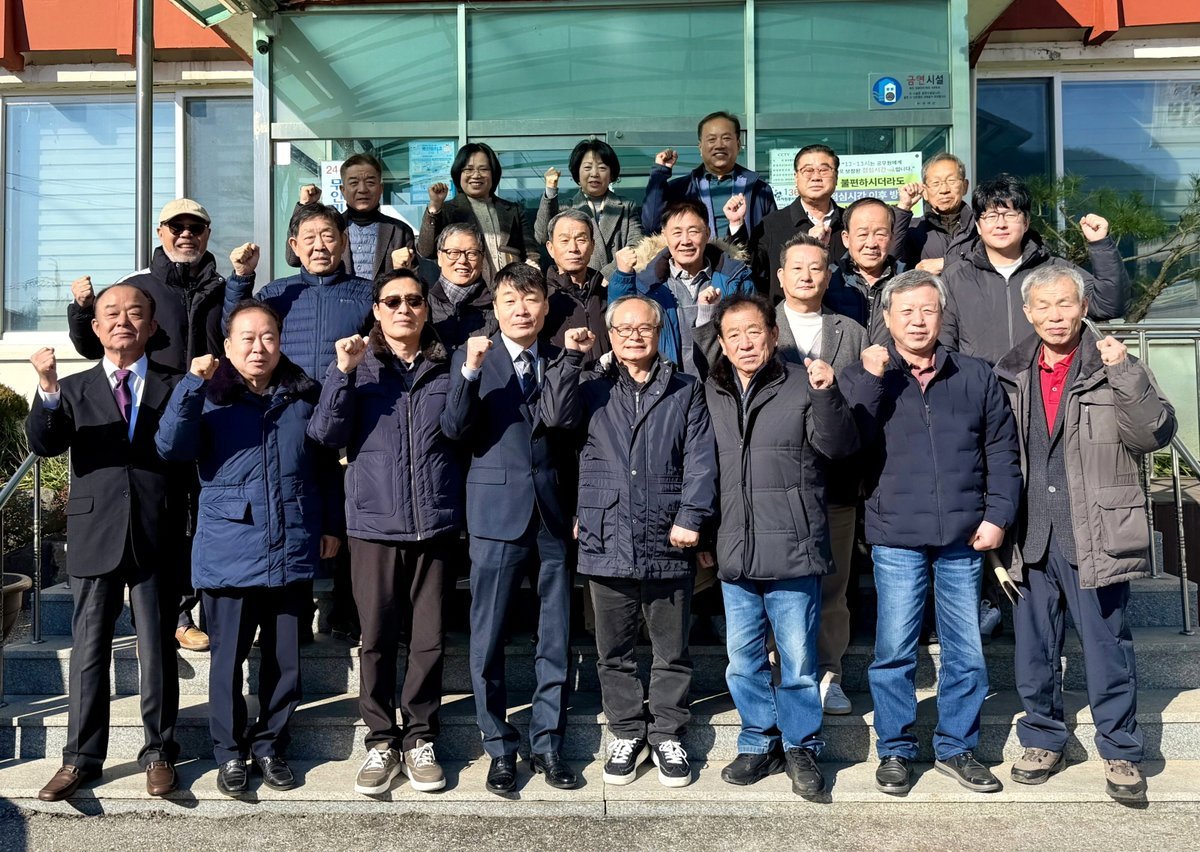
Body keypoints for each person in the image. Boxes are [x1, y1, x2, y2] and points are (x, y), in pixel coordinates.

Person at [994, 266, 1176, 802]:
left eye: (1065, 303)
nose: (1055, 315)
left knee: (1105, 646)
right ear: (1028, 313)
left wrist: (1125, 374)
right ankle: (1041, 739)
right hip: (1031, 532)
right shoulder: (1010, 372)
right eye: (1044, 305)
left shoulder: (1112, 363)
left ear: (1083, 307)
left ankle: (1121, 749)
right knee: (1034, 648)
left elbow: (1153, 433)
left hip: (1096, 529)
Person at [839, 269, 1021, 797]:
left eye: (928, 310)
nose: (918, 321)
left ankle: (956, 747)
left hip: (964, 534)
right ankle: (895, 749)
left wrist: (998, 516)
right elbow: (847, 441)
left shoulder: (974, 374)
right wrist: (870, 379)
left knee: (966, 649)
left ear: (942, 316)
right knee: (895, 650)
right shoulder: (867, 373)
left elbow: (1002, 451)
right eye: (906, 311)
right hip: (896, 532)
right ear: (887, 318)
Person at [156, 301, 342, 797]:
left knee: (286, 661)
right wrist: (191, 385)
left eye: (268, 337)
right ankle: (230, 752)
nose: (259, 347)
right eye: (247, 338)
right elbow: (172, 447)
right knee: (227, 662)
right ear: (228, 345)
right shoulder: (207, 395)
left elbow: (324, 465)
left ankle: (271, 745)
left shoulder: (303, 395)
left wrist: (330, 524)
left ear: (280, 343)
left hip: (291, 545)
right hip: (229, 549)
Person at [544, 294, 717, 788]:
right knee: (613, 650)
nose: (634, 336)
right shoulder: (591, 386)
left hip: (668, 533)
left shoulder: (686, 389)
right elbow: (554, 417)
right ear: (611, 335)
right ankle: (625, 731)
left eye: (644, 328)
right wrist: (572, 357)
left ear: (659, 333)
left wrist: (692, 516)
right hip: (606, 531)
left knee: (671, 649)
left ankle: (667, 733)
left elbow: (700, 460)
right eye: (623, 329)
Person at [307, 269, 464, 796]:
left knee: (429, 640)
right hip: (374, 524)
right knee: (375, 638)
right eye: (392, 301)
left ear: (426, 308)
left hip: (435, 523)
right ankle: (380, 738)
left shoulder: (447, 364)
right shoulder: (359, 365)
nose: (403, 310)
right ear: (376, 310)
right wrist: (343, 373)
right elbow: (325, 434)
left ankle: (420, 735)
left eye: (413, 300)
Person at [27, 284, 185, 802]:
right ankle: (80, 759)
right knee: (89, 650)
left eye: (135, 313)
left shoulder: (175, 384)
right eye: (111, 313)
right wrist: (47, 387)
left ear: (152, 327)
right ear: (95, 328)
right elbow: (46, 443)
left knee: (156, 647)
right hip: (95, 532)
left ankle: (159, 752)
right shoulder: (72, 389)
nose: (123, 321)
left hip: (156, 529)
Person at [703, 293, 858, 798]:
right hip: (735, 545)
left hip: (793, 543)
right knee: (743, 659)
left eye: (754, 331)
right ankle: (758, 740)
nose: (745, 343)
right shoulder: (712, 391)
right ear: (722, 343)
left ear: (773, 334)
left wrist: (827, 395)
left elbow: (838, 447)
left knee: (797, 660)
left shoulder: (802, 382)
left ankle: (801, 745)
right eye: (734, 335)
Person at [441, 263, 587, 796]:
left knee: (556, 635)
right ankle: (499, 747)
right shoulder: (472, 358)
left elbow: (573, 438)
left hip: (552, 515)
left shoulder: (562, 359)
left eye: (531, 299)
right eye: (510, 300)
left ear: (546, 307)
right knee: (488, 636)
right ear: (496, 308)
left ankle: (548, 743)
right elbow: (455, 429)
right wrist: (470, 372)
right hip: (495, 514)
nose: (521, 309)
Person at [67, 198, 224, 652]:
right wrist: (81, 308)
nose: (186, 234)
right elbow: (94, 344)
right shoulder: (135, 286)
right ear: (160, 232)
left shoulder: (222, 286)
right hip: (155, 415)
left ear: (207, 234)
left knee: (203, 514)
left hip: (211, 415)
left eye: (195, 227)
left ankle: (205, 609)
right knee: (167, 516)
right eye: (177, 226)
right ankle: (177, 616)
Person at [225, 203, 373, 640]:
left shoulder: (365, 292)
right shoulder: (275, 293)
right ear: (293, 245)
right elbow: (235, 329)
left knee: (349, 512)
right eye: (309, 238)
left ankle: (346, 610)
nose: (319, 245)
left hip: (351, 416)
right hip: (292, 415)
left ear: (344, 242)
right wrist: (240, 281)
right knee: (298, 507)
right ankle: (297, 610)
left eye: (328, 236)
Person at [772, 234, 870, 715]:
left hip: (835, 479)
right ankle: (784, 671)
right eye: (797, 267)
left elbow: (862, 401)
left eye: (816, 268)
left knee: (834, 585)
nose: (807, 275)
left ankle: (830, 672)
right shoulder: (762, 326)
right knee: (778, 583)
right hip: (775, 481)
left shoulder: (850, 331)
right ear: (780, 275)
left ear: (829, 276)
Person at [940, 173, 1129, 366]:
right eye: (991, 216)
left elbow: (1108, 305)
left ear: (1026, 222)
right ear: (978, 226)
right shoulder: (956, 277)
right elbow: (944, 342)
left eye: (1010, 215)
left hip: (1044, 380)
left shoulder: (1055, 270)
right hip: (981, 382)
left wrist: (1100, 244)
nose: (1001, 224)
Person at [609, 199, 754, 377]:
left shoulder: (735, 277)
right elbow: (618, 321)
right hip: (667, 385)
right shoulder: (647, 284)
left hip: (724, 382)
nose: (685, 241)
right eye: (677, 233)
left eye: (693, 231)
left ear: (707, 233)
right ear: (665, 235)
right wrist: (623, 277)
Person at [641, 111, 776, 241]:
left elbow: (771, 240)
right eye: (711, 139)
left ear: (738, 144)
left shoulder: (759, 190)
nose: (719, 145)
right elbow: (652, 227)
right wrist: (659, 174)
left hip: (745, 256)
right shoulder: (680, 189)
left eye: (726, 138)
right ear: (700, 147)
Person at [417, 142, 538, 285]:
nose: (476, 175)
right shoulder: (447, 210)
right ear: (458, 174)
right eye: (468, 169)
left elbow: (531, 252)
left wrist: (532, 275)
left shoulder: (512, 210)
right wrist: (434, 206)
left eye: (483, 169)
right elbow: (426, 250)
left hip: (510, 290)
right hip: (468, 291)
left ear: (493, 173)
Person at [286, 153, 418, 279]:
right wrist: (304, 206)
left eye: (370, 182)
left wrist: (401, 270)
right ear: (342, 190)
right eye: (354, 183)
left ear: (381, 188)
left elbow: (414, 282)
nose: (362, 189)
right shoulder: (331, 227)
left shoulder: (400, 231)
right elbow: (293, 259)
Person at [534, 139, 643, 281]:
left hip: (614, 282)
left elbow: (636, 245)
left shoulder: (627, 206)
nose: (594, 173)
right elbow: (542, 236)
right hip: (573, 283)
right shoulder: (564, 208)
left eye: (602, 168)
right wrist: (550, 190)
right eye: (587, 168)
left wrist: (607, 276)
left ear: (611, 174)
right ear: (577, 174)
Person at [746, 144, 846, 297]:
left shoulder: (850, 222)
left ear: (836, 177)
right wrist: (737, 225)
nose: (816, 177)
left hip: (845, 311)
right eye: (808, 170)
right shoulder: (771, 224)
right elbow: (753, 271)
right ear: (796, 177)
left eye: (824, 170)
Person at [823, 197, 906, 345]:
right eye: (862, 234)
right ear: (846, 238)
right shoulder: (828, 279)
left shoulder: (907, 282)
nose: (871, 244)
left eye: (880, 234)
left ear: (892, 238)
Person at [541, 209, 611, 368]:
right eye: (564, 240)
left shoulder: (607, 293)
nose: (573, 248)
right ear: (550, 248)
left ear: (592, 246)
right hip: (562, 381)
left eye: (581, 240)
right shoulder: (542, 298)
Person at [891, 153, 974, 273]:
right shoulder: (913, 229)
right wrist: (904, 207)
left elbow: (993, 259)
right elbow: (889, 255)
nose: (944, 190)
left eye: (951, 181)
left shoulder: (981, 226)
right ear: (924, 192)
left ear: (965, 186)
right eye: (936, 183)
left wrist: (945, 263)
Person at [424, 223, 497, 351]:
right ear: (439, 257)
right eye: (453, 252)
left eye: (471, 253)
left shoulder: (496, 306)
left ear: (482, 259)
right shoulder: (423, 305)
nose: (462, 260)